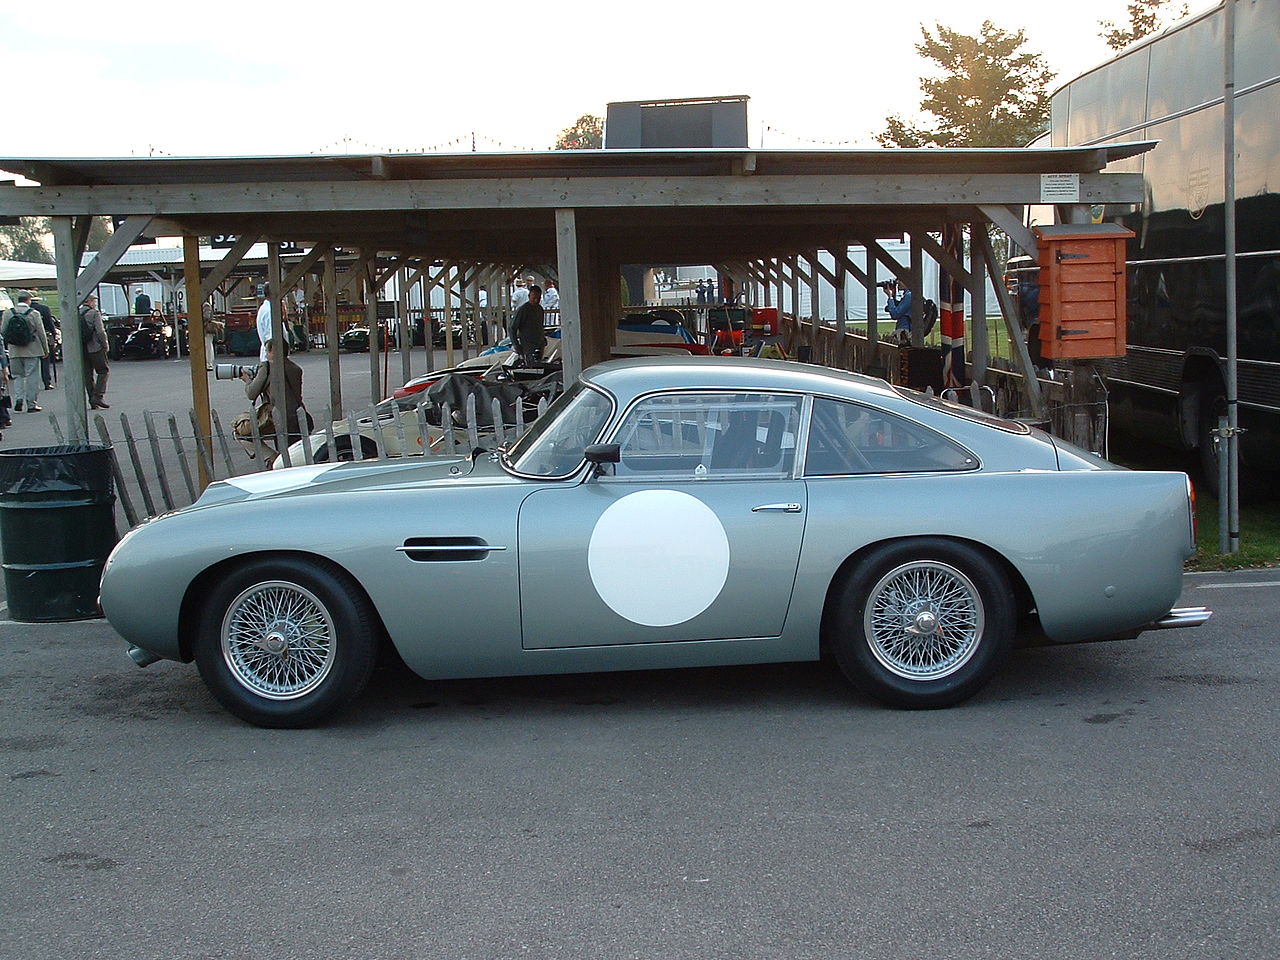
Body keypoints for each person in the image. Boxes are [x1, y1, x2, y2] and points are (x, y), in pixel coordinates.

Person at [237, 337, 308, 462]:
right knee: (293, 452)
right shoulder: (295, 368)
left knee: (241, 434)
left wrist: (247, 380)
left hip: (274, 417)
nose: (265, 354)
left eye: (266, 351)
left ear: (272, 352)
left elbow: (251, 393)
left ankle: (272, 458)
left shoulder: (267, 368)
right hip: (295, 415)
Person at [2, 291, 50, 413]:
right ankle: (31, 403)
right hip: (32, 349)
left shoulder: (8, 313)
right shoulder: (34, 313)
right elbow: (41, 332)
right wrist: (45, 349)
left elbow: (3, 331)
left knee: (17, 376)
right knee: (32, 376)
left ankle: (19, 399)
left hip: (14, 350)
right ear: (28, 300)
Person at [80, 294, 111, 409]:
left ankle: (92, 400)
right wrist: (105, 344)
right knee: (103, 371)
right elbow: (100, 331)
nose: (95, 303)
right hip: (95, 347)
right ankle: (98, 396)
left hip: (82, 348)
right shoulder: (94, 313)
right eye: (94, 301)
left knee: (88, 374)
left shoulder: (75, 313)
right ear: (89, 302)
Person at [509, 283, 545, 362]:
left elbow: (540, 326)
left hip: (539, 345)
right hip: (528, 347)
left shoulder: (540, 309)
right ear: (529, 297)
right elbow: (512, 328)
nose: (536, 300)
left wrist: (543, 338)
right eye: (534, 298)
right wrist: (516, 345)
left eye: (538, 298)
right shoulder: (523, 310)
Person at [30, 294, 57, 389]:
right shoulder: (44, 309)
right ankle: (47, 382)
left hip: (28, 338)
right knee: (45, 360)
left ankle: (32, 384)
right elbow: (50, 323)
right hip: (43, 336)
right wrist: (54, 334)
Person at [884, 280, 914, 345]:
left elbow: (895, 314)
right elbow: (898, 307)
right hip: (905, 331)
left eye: (900, 280)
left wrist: (890, 297)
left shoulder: (909, 296)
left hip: (905, 332)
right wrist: (893, 294)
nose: (897, 282)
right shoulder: (910, 294)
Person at [256, 282, 274, 363]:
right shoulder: (269, 311)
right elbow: (271, 336)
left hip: (268, 354)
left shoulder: (265, 308)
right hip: (271, 356)